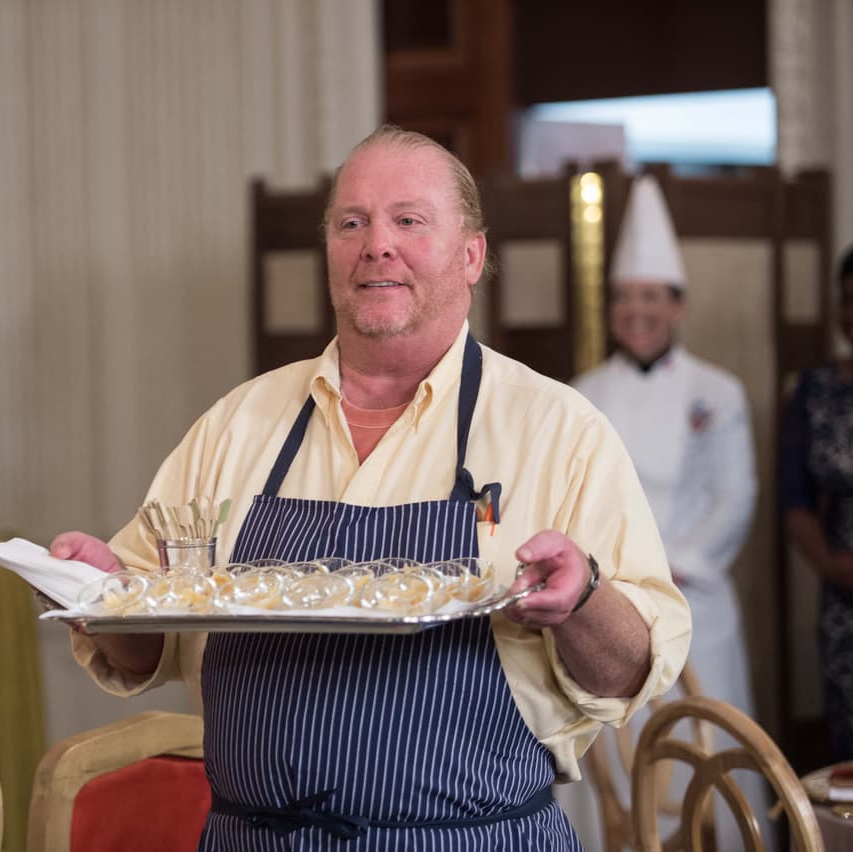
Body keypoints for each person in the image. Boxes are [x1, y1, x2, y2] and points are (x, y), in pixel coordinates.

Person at [51, 126, 691, 851]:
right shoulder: (238, 425)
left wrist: (583, 598)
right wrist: (103, 601)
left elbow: (630, 670)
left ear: (472, 255)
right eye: (351, 223)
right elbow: (148, 651)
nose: (375, 244)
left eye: (409, 221)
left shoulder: (559, 430)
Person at [572, 174, 765, 849]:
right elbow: (580, 500)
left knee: (712, 757)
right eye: (625, 298)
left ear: (678, 306)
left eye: (651, 296)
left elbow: (735, 496)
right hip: (615, 604)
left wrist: (674, 567)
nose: (637, 311)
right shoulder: (582, 394)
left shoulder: (719, 392)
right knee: (628, 770)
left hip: (696, 600)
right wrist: (616, 582)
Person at [781, 245, 853, 763]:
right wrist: (831, 565)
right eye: (848, 299)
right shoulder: (816, 391)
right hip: (844, 595)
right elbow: (795, 495)